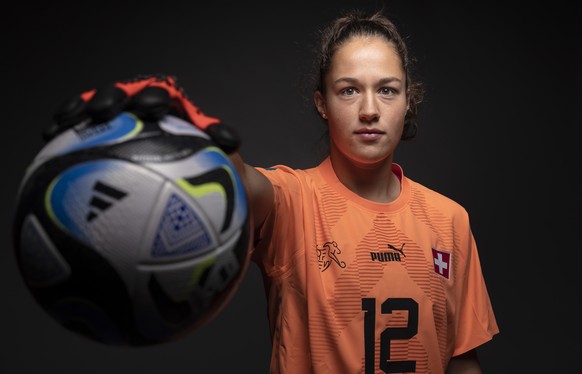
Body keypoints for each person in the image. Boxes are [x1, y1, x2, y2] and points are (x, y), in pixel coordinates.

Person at [47, 8, 499, 374]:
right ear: (322, 103)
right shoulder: (292, 199)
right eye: (348, 91)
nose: (368, 110)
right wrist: (190, 128)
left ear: (407, 101)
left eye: (387, 90)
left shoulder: (448, 220)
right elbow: (240, 185)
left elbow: (462, 360)